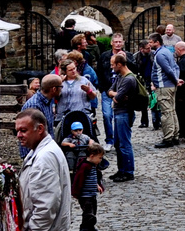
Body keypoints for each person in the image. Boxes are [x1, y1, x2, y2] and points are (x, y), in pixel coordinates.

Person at [106, 52, 140, 181]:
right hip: (119, 112)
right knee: (118, 143)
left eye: (112, 65)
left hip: (124, 113)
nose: (111, 67)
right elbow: (110, 91)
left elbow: (117, 98)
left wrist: (115, 95)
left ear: (119, 64)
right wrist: (115, 94)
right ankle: (121, 170)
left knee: (124, 144)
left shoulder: (129, 79)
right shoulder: (120, 76)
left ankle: (128, 171)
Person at [149, 32, 181, 147]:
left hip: (164, 87)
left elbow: (168, 70)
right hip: (170, 85)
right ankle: (175, 136)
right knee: (172, 111)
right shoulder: (167, 51)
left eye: (151, 42)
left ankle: (168, 138)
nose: (149, 44)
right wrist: (176, 79)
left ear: (157, 42)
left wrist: (176, 80)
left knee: (166, 112)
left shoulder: (160, 54)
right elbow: (175, 67)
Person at [58, 59, 100, 139]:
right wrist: (59, 83)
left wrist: (89, 91)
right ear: (64, 71)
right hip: (64, 117)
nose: (74, 71)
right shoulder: (60, 82)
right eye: (70, 70)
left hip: (82, 114)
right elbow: (54, 97)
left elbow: (93, 96)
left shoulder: (83, 80)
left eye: (74, 68)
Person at [72, 143, 106, 231]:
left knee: (93, 211)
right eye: (99, 158)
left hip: (92, 194)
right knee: (88, 212)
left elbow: (92, 178)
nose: (100, 160)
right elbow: (79, 180)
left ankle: (91, 227)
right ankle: (84, 228)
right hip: (85, 195)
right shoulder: (84, 166)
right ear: (92, 156)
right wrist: (76, 193)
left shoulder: (93, 166)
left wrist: (97, 185)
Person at [129, 40, 155, 129]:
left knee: (154, 100)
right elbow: (134, 68)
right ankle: (144, 121)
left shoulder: (153, 54)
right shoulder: (136, 57)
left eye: (150, 48)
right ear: (141, 49)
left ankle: (156, 121)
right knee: (143, 100)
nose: (149, 50)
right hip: (141, 79)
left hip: (152, 78)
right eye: (147, 48)